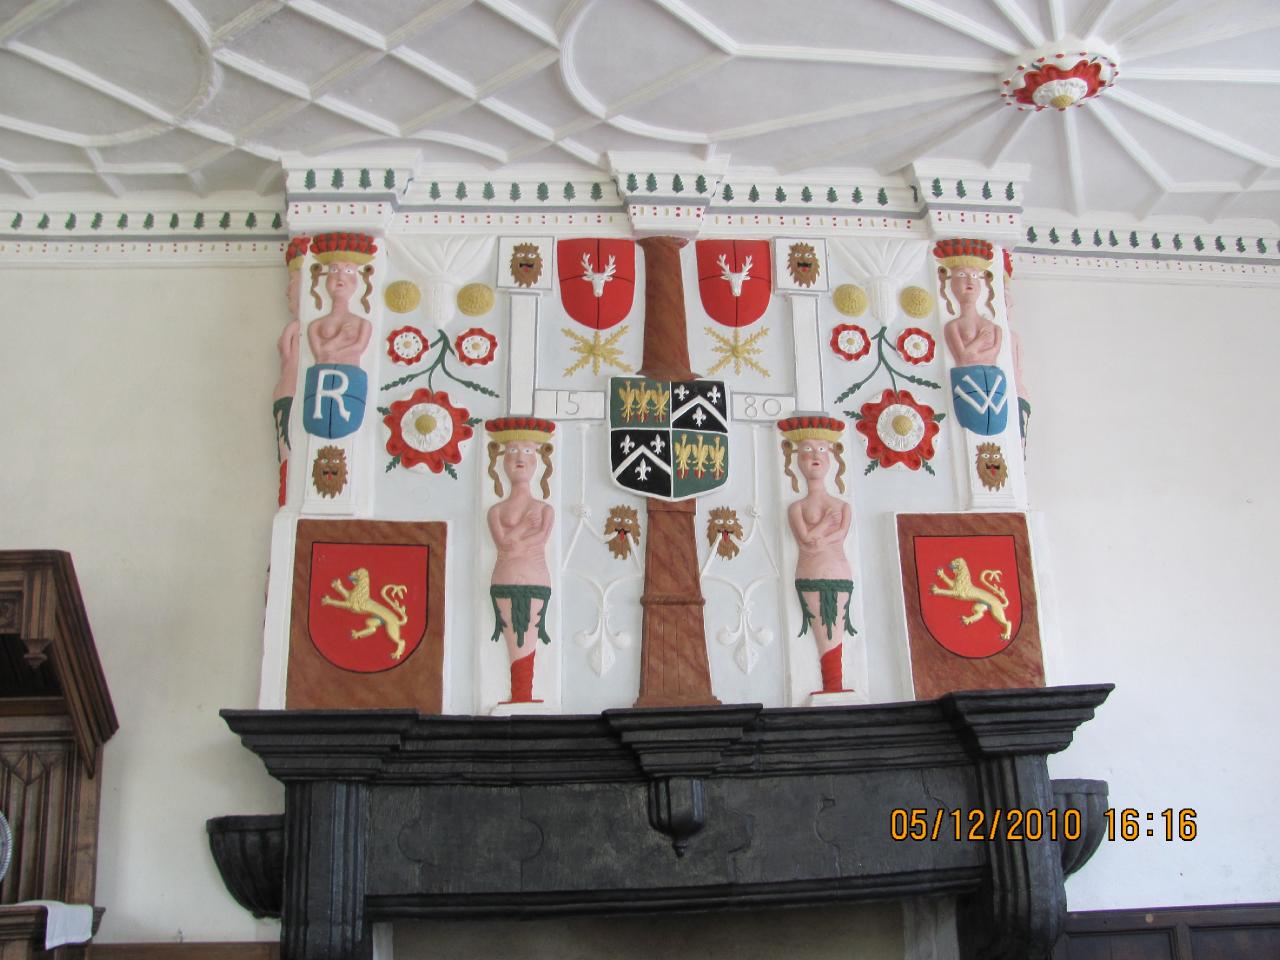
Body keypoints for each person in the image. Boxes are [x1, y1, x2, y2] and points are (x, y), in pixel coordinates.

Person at [778, 416, 855, 695]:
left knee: (836, 627)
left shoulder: (842, 505)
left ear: (832, 457)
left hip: (838, 572)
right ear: (796, 459)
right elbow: (806, 540)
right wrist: (822, 527)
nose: (815, 455)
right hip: (810, 573)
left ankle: (835, 685)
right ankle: (831, 685)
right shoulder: (796, 508)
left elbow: (840, 533)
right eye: (807, 449)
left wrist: (819, 537)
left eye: (822, 449)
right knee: (822, 629)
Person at [484, 417, 556, 704]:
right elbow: (504, 543)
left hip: (536, 578)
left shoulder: (545, 508)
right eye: (512, 451)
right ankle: (519, 695)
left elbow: (540, 538)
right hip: (504, 579)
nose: (519, 458)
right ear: (501, 460)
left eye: (527, 451)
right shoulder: (496, 511)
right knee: (513, 640)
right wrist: (524, 527)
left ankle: (523, 695)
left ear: (537, 460)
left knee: (530, 637)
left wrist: (519, 539)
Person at [306, 233, 377, 365]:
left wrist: (332, 352)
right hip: (321, 373)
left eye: (349, 271)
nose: (340, 277)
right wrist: (341, 338)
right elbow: (320, 354)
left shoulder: (363, 324)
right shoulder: (315, 325)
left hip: (351, 374)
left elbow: (358, 347)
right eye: (333, 270)